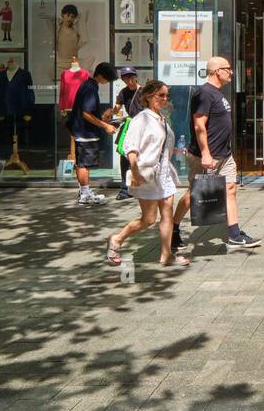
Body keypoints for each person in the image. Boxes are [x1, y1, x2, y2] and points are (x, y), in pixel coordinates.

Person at [172, 57, 260, 250]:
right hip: (206, 156)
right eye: (228, 69)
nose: (231, 72)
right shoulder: (204, 93)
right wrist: (205, 153)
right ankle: (173, 228)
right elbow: (199, 125)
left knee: (230, 190)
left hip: (224, 155)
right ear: (218, 71)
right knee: (192, 195)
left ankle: (235, 235)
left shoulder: (217, 93)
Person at [105, 79, 187, 268]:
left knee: (167, 214)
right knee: (148, 219)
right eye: (161, 95)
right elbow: (130, 148)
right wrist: (134, 172)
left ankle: (166, 256)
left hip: (164, 174)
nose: (165, 99)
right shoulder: (141, 118)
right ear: (149, 96)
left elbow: (162, 145)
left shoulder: (161, 118)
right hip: (146, 174)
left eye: (167, 96)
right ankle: (117, 239)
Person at [68, 61, 118, 206]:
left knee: (81, 163)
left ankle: (84, 191)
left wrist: (101, 119)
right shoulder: (90, 88)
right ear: (101, 76)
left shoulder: (87, 85)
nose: (107, 82)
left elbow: (86, 112)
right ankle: (85, 195)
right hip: (85, 132)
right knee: (84, 164)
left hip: (81, 129)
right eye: (107, 78)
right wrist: (104, 126)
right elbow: (86, 113)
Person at [112, 66, 141, 201]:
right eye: (125, 77)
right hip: (130, 126)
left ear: (135, 76)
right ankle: (125, 188)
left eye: (131, 76)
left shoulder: (143, 91)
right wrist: (111, 113)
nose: (129, 79)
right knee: (124, 155)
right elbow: (117, 108)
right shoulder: (123, 92)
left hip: (143, 127)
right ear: (122, 79)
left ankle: (140, 187)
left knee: (142, 157)